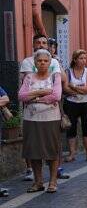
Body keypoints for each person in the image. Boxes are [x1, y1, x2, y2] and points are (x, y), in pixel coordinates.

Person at [19, 49, 64, 193]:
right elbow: (21, 96)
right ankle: (38, 182)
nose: (42, 63)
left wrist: (34, 97)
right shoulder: (29, 78)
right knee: (34, 151)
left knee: (52, 150)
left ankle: (52, 181)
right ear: (35, 63)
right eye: (39, 61)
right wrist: (42, 92)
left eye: (45, 61)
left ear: (50, 63)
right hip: (31, 119)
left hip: (51, 119)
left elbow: (56, 95)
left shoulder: (54, 77)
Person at [62, 49, 87, 162]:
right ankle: (72, 153)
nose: (83, 60)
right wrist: (82, 89)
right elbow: (66, 89)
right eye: (81, 58)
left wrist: (75, 87)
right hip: (71, 103)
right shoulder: (68, 72)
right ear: (75, 59)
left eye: (85, 58)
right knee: (71, 128)